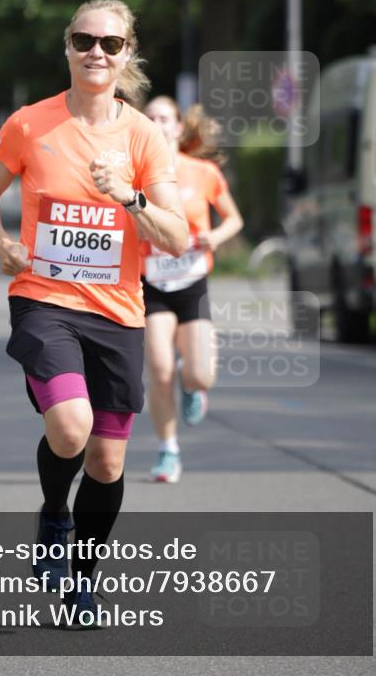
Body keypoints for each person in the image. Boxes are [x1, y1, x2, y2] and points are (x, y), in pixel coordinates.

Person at [0, 0, 188, 625]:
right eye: (84, 39)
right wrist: (3, 242)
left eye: (111, 43)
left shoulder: (143, 135)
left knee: (108, 460)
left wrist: (130, 195)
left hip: (119, 312)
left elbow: (175, 237)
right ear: (67, 47)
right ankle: (54, 513)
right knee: (70, 427)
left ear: (127, 55)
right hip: (46, 300)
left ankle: (82, 578)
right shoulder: (29, 124)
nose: (97, 51)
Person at [142, 96, 243, 483]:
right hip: (150, 279)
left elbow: (234, 219)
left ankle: (192, 384)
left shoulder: (202, 172)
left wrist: (213, 238)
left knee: (201, 375)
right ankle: (168, 450)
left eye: (164, 118)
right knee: (159, 368)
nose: (157, 123)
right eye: (150, 118)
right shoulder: (135, 175)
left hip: (192, 280)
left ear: (179, 127)